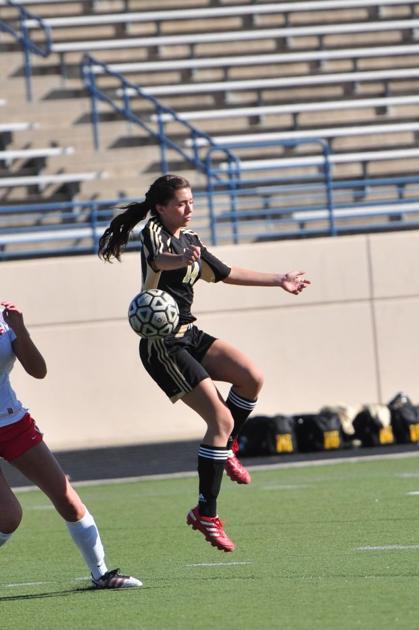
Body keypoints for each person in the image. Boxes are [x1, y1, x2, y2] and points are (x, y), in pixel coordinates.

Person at [98, 174, 310, 553]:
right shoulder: (155, 233)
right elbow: (158, 260)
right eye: (181, 203)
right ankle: (206, 513)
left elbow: (226, 274)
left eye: (191, 201)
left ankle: (225, 448)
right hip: (162, 344)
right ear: (162, 207)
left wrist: (279, 279)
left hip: (188, 334)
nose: (189, 208)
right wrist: (180, 259)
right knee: (220, 420)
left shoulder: (192, 241)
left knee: (251, 377)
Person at [0, 300, 142, 589]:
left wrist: (20, 330)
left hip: (12, 422)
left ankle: (101, 574)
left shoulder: (5, 315)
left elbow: (38, 370)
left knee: (67, 499)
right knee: (9, 517)